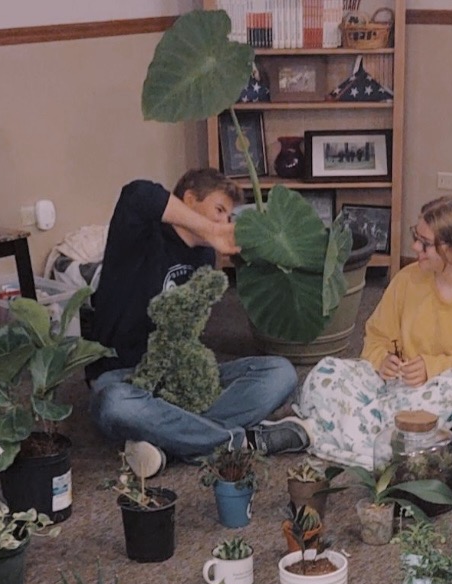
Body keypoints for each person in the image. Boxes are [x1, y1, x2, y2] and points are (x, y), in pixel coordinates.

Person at [87, 170, 309, 472]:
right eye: (219, 210)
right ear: (190, 199)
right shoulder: (140, 233)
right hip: (125, 376)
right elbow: (137, 193)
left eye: (228, 216)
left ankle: (174, 439)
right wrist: (211, 229)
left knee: (280, 372)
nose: (225, 222)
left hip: (183, 377)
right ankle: (240, 442)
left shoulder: (204, 256)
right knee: (113, 403)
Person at [296, 194, 452, 469]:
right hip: (395, 385)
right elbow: (377, 335)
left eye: (425, 243)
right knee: (328, 374)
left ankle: (334, 430)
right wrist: (382, 360)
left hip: (451, 393)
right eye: (416, 237)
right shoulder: (407, 278)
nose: (414, 246)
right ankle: (373, 431)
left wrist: (432, 368)